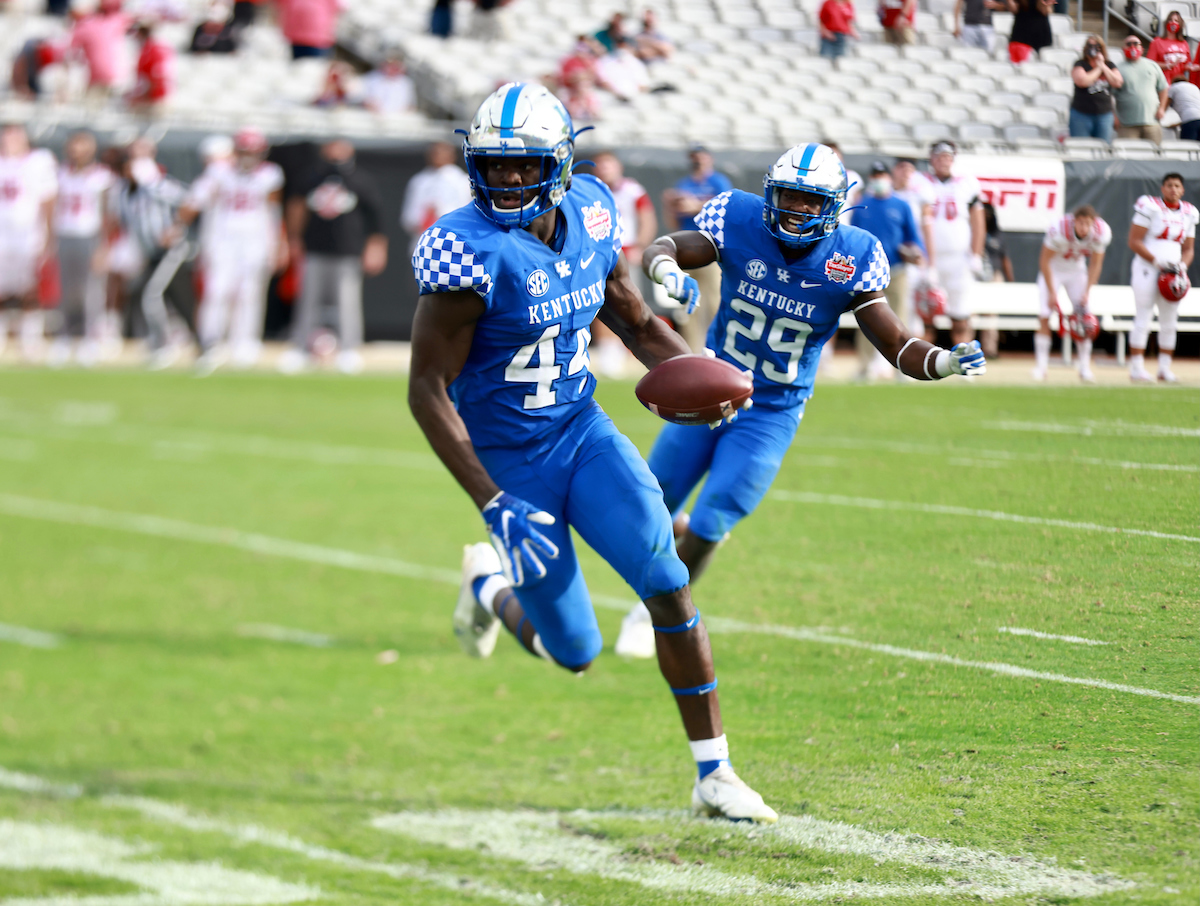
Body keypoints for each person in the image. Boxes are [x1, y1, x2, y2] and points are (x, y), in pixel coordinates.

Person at [407, 81, 779, 823]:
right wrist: (492, 500)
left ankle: (714, 774)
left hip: (582, 433)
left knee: (668, 583)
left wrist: (692, 377)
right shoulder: (464, 249)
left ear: (562, 161)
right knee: (573, 649)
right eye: (494, 164)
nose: (508, 178)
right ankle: (488, 588)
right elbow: (426, 389)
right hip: (511, 462)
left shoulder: (593, 210)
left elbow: (635, 320)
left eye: (525, 164)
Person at [613, 142, 985, 658]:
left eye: (811, 201)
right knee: (648, 505)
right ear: (770, 193)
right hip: (712, 390)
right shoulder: (739, 218)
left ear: (833, 205)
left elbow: (898, 346)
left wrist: (942, 361)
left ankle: (652, 612)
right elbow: (665, 247)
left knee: (713, 518)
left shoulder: (853, 255)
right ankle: (665, 544)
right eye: (789, 196)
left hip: (772, 410)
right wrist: (666, 272)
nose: (797, 209)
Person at [174, 127, 284, 374]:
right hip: (221, 240)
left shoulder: (270, 174)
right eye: (245, 151)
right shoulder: (218, 172)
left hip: (255, 240)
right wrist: (178, 225)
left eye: (253, 152)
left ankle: (244, 343)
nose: (249, 156)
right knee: (217, 291)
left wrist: (278, 244)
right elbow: (195, 200)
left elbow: (273, 212)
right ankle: (209, 342)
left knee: (249, 294)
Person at [279, 138, 387, 375]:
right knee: (308, 300)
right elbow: (296, 206)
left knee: (347, 302)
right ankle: (300, 348)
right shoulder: (312, 176)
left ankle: (349, 349)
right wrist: (294, 238)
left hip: (348, 250)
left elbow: (375, 217)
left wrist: (376, 246)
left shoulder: (360, 179)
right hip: (314, 248)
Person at [108, 138, 195, 369]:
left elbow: (189, 201)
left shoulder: (159, 185)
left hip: (172, 250)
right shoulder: (125, 194)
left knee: (153, 296)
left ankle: (165, 345)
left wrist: (174, 228)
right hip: (150, 254)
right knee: (173, 300)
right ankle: (186, 343)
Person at [850, 161, 925, 380]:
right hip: (868, 273)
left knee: (900, 321)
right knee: (866, 320)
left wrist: (916, 254)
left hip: (897, 269)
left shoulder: (901, 205)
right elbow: (852, 239)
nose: (879, 178)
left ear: (889, 177)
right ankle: (864, 369)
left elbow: (914, 238)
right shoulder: (862, 206)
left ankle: (903, 369)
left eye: (882, 174)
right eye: (875, 175)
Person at [47, 130, 113, 368]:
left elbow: (107, 214)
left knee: (91, 291)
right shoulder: (60, 173)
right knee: (65, 290)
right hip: (65, 234)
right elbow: (52, 208)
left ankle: (89, 338)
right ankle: (63, 337)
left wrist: (103, 246)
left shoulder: (102, 176)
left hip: (89, 236)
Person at [590, 150, 657, 377]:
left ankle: (627, 349)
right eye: (600, 165)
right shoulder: (590, 191)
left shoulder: (632, 189)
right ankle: (608, 353)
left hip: (625, 251)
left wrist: (640, 245)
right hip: (598, 253)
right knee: (599, 302)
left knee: (629, 302)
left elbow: (647, 218)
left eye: (608, 164)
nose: (605, 169)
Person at [662, 145, 733, 352]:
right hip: (687, 246)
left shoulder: (717, 181)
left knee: (713, 301)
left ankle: (716, 348)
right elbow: (674, 221)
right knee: (688, 303)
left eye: (701, 157)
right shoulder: (684, 184)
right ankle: (691, 351)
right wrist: (671, 204)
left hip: (711, 248)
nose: (698, 161)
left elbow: (725, 207)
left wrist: (696, 205)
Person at [1126, 173, 1196, 383]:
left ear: (1182, 190)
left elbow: (1189, 249)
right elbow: (1134, 240)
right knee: (1143, 317)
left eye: (1177, 186)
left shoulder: (1190, 212)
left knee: (1169, 321)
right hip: (1148, 267)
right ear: (1162, 188)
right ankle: (1137, 368)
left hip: (1173, 272)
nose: (1173, 189)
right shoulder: (1150, 206)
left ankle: (1164, 369)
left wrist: (1182, 267)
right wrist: (1157, 261)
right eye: (1169, 185)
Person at [1032, 206, 1111, 383]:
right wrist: (1053, 292)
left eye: (1087, 223)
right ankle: (1041, 366)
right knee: (1045, 314)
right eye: (1081, 223)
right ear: (1074, 221)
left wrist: (1087, 291)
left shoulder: (1101, 232)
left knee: (1085, 318)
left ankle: (1084, 367)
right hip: (1053, 269)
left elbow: (1096, 264)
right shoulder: (1059, 229)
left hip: (1076, 270)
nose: (1084, 227)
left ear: (1093, 223)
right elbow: (1044, 260)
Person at [917, 140, 984, 347]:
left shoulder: (967, 183)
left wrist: (976, 254)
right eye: (939, 157)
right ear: (931, 159)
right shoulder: (921, 182)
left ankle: (964, 362)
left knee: (960, 314)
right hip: (928, 258)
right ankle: (921, 363)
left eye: (947, 157)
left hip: (958, 257)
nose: (943, 161)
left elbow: (978, 219)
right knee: (925, 314)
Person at [0, 123, 57, 363]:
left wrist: (49, 234)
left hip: (28, 235)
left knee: (31, 288)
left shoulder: (39, 161)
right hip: (3, 235)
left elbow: (48, 199)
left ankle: (30, 338)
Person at [400, 140, 472, 255]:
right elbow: (408, 218)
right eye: (435, 151)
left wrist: (439, 212)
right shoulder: (419, 181)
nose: (438, 154)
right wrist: (426, 216)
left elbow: (466, 216)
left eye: (442, 151)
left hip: (452, 248)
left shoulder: (462, 181)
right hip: (422, 247)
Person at [69, 0, 132, 101]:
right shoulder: (116, 21)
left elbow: (70, 56)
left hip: (100, 79)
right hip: (121, 77)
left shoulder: (82, 27)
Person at [1113, 33, 1169, 143]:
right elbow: (1110, 96)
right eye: (1129, 44)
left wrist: (1161, 108)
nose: (1132, 47)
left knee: (1154, 156)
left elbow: (1163, 88)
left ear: (1142, 48)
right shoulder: (1117, 69)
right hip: (1127, 124)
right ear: (1123, 48)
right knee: (1128, 157)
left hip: (1152, 122)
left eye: (1136, 44)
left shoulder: (1153, 65)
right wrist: (1114, 117)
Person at [1069, 35, 1122, 143]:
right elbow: (1082, 81)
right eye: (1089, 45)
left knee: (1103, 147)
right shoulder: (1080, 64)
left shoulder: (1109, 65)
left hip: (1104, 115)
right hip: (1081, 114)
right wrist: (1098, 68)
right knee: (1081, 147)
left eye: (1096, 46)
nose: (1092, 48)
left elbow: (1118, 82)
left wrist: (1103, 66)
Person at [129, 21, 175, 114]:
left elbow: (159, 75)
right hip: (149, 96)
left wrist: (146, 95)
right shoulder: (147, 49)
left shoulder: (155, 50)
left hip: (154, 98)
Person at [277, 0, 342, 60]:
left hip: (318, 40)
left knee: (315, 68)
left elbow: (340, 7)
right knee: (297, 68)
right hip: (296, 37)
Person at [360, 48, 416, 114]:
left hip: (397, 119)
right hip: (371, 117)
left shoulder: (406, 83)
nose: (394, 68)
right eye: (391, 65)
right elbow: (361, 99)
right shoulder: (370, 78)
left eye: (397, 65)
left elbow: (411, 105)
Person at [1147, 12, 1196, 85]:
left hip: (1179, 83)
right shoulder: (1157, 42)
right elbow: (1150, 63)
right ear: (1166, 23)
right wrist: (1168, 65)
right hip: (1163, 83)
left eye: (1176, 20)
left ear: (1180, 24)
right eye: (1170, 20)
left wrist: (1192, 67)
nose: (1173, 22)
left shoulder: (1184, 43)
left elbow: (1185, 65)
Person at [1006, 0, 1052, 65]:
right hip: (1021, 34)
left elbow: (1045, 10)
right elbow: (1014, 9)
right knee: (1020, 65)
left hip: (1040, 32)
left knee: (1041, 64)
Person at [1168, 73, 1200, 141]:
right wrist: (1178, 124)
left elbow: (1165, 104)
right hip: (1196, 118)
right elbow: (1194, 114)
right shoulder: (1194, 87)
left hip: (1189, 121)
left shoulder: (1174, 87)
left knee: (1187, 146)